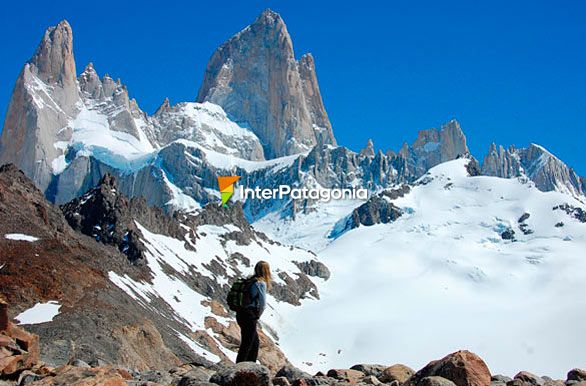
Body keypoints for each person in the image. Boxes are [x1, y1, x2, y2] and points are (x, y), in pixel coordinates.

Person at [236, 260, 271, 363]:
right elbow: (263, 304)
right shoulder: (260, 283)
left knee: (254, 342)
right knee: (248, 343)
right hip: (250, 315)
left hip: (240, 313)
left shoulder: (250, 280)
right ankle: (240, 368)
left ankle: (249, 366)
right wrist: (257, 316)